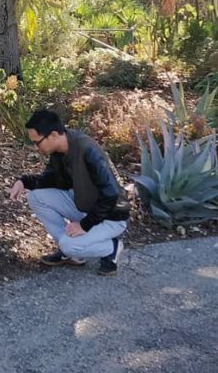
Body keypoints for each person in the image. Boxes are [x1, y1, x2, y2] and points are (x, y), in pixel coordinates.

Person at [8, 108, 129, 276]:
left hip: (111, 216)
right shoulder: (59, 151)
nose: (36, 147)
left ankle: (111, 248)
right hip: (85, 206)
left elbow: (111, 194)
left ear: (53, 135)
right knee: (36, 197)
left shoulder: (87, 149)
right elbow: (52, 180)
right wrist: (24, 181)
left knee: (68, 245)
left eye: (37, 142)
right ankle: (72, 253)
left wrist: (84, 225)